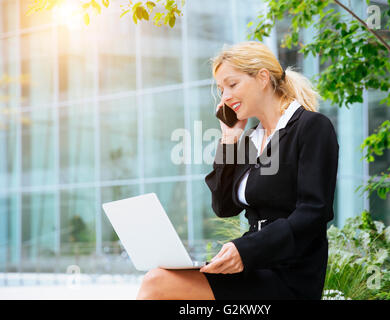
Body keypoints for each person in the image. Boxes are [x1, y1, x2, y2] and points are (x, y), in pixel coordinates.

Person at [136, 41, 339, 300]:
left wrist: (245, 250)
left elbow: (313, 213)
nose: (225, 97)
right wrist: (229, 139)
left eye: (232, 85)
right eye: (221, 89)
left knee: (159, 284)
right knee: (159, 278)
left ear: (263, 78)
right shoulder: (251, 140)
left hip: (289, 272)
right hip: (252, 264)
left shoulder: (311, 127)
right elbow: (224, 206)